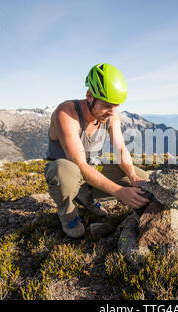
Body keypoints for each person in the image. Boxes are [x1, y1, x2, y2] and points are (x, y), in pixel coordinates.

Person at [44, 63, 150, 238]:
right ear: (89, 95)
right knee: (65, 171)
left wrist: (132, 176)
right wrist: (119, 192)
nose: (112, 112)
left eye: (116, 106)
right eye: (107, 105)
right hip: (65, 171)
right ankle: (69, 215)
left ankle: (84, 195)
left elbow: (120, 149)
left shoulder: (111, 115)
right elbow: (79, 164)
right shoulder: (66, 113)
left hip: (91, 168)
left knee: (144, 181)